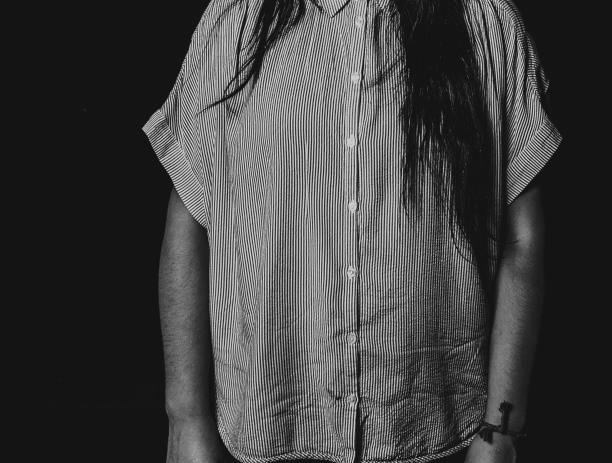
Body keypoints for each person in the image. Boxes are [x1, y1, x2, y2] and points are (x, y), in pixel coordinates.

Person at [142, 0, 563, 462]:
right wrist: (187, 418)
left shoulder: (486, 21)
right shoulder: (235, 19)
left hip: (441, 437)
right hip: (264, 428)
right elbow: (190, 214)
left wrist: (500, 431)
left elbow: (521, 241)